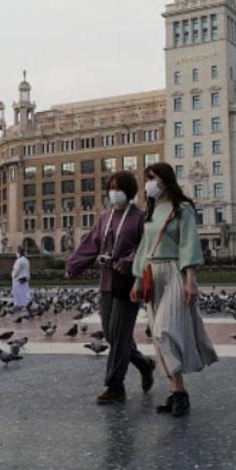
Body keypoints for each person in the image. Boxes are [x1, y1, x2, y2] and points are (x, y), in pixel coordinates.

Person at [130, 162, 218, 417]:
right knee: (158, 338)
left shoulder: (183, 209)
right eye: (146, 178)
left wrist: (191, 281)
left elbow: (189, 244)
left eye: (152, 177)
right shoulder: (151, 210)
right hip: (152, 276)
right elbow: (144, 249)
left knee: (164, 330)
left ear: (165, 180)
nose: (147, 183)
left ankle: (179, 393)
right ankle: (177, 392)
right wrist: (137, 282)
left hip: (175, 273)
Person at [65, 170, 154, 404]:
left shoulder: (139, 217)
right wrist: (74, 265)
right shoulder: (105, 218)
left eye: (119, 187)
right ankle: (145, 364)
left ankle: (115, 386)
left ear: (130, 191)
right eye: (111, 187)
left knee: (120, 334)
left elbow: (145, 248)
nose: (115, 192)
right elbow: (91, 244)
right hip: (106, 282)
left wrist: (126, 262)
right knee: (114, 336)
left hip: (127, 283)